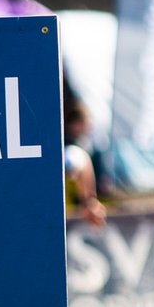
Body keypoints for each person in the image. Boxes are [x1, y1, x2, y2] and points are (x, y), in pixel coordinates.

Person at [63, 92, 108, 225]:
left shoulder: (85, 145)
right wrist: (89, 204)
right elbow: (79, 158)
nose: (88, 128)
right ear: (74, 124)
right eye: (84, 123)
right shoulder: (70, 149)